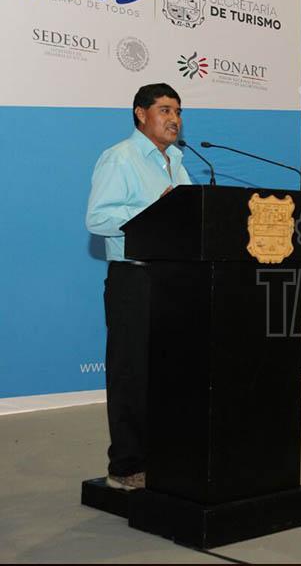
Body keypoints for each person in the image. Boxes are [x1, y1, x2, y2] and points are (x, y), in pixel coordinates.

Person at [85, 83, 192, 491]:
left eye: (178, 111)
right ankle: (126, 465)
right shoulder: (121, 157)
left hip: (173, 280)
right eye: (164, 110)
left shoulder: (177, 161)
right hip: (135, 279)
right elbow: (97, 219)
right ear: (140, 114)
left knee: (167, 373)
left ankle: (162, 457)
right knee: (131, 374)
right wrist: (155, 208)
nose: (174, 119)